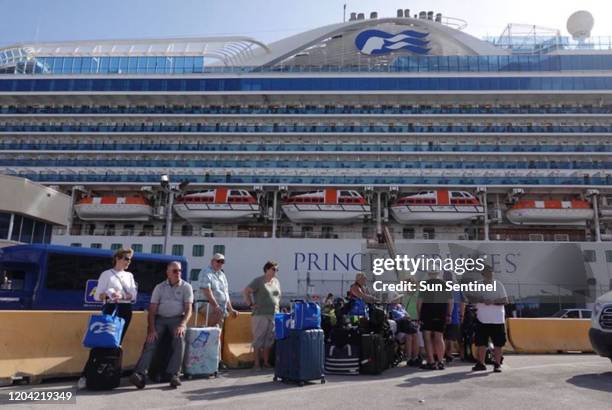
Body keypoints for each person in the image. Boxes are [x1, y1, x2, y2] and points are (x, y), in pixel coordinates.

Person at [77, 248, 137, 389]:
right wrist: (109, 294)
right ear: (118, 258)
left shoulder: (129, 276)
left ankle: (109, 375)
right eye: (126, 259)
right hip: (110, 308)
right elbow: (97, 295)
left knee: (116, 344)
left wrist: (122, 296)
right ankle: (85, 375)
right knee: (101, 343)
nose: (129, 262)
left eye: (130, 259)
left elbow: (133, 295)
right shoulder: (106, 274)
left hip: (125, 309)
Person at [130, 261, 193, 389]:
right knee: (151, 342)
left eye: (180, 270)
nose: (178, 273)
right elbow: (152, 310)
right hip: (160, 319)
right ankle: (140, 374)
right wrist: (152, 329)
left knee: (179, 340)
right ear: (168, 273)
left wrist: (182, 324)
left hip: (177, 319)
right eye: (175, 271)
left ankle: (174, 374)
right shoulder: (159, 287)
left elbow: (189, 309)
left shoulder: (186, 287)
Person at [466, 264, 508, 373]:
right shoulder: (477, 284)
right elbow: (469, 296)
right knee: (481, 343)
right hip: (482, 319)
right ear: (483, 274)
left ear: (493, 273)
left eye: (491, 272)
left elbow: (505, 300)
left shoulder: (498, 285)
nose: (489, 274)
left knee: (498, 343)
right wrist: (481, 299)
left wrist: (493, 301)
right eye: (487, 272)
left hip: (497, 320)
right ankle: (481, 363)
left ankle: (497, 364)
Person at [243, 260, 281, 370]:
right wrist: (250, 304)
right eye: (274, 269)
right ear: (267, 269)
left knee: (269, 339)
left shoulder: (276, 282)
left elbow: (278, 296)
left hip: (273, 313)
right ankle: (256, 364)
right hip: (260, 314)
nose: (276, 271)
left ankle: (266, 362)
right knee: (258, 339)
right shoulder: (258, 281)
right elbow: (246, 291)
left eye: (277, 270)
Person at [417, 270, 453, 370]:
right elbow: (450, 301)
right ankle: (441, 361)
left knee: (427, 337)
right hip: (441, 313)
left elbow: (419, 302)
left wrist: (420, 315)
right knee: (439, 337)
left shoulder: (425, 284)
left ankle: (431, 362)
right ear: (438, 274)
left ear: (429, 274)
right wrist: (449, 315)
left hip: (427, 313)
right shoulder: (445, 284)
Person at [194, 253, 238, 327]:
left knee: (220, 317)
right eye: (218, 261)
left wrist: (231, 309)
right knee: (218, 313)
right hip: (206, 304)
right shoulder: (206, 272)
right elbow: (207, 291)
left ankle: (213, 335)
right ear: (212, 261)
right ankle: (208, 332)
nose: (220, 263)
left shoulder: (222, 275)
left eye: (222, 262)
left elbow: (225, 294)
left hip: (220, 307)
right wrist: (216, 306)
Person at [443, 271, 464, 363]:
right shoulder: (457, 287)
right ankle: (451, 355)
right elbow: (462, 302)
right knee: (452, 337)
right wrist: (462, 315)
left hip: (445, 315)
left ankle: (448, 355)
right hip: (454, 316)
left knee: (447, 337)